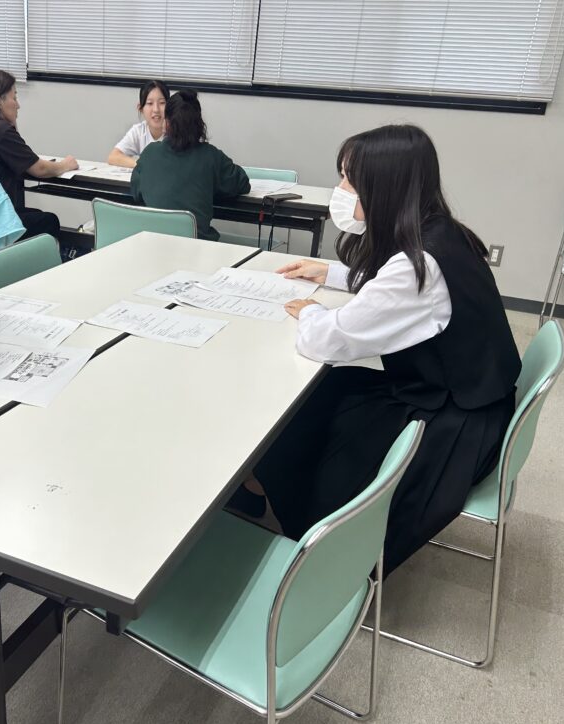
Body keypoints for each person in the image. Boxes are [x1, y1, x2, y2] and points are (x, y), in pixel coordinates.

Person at [230, 124, 521, 576]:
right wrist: (328, 273)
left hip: (453, 427)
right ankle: (258, 482)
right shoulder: (440, 232)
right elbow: (389, 291)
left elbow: (329, 339)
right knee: (331, 389)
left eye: (349, 179)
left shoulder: (417, 267)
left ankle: (288, 510)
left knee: (320, 397)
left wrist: (310, 310)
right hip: (467, 397)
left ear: (384, 187)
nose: (341, 189)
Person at [0, 68, 77, 242]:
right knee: (49, 220)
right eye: (14, 97)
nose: (18, 105)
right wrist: (66, 164)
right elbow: (40, 169)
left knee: (35, 214)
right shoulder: (0, 130)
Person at [130, 90, 249, 241]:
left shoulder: (149, 154)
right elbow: (242, 183)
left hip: (155, 244)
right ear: (199, 124)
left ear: (167, 123)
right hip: (198, 247)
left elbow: (136, 192)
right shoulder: (211, 156)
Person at [107, 80, 169, 168]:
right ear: (141, 108)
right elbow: (113, 157)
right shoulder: (139, 131)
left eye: (162, 103)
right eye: (150, 103)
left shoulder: (176, 131)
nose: (156, 109)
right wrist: (142, 163)